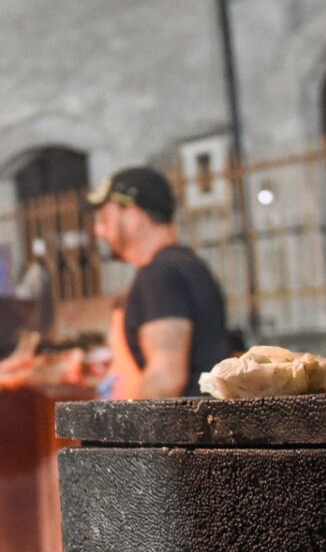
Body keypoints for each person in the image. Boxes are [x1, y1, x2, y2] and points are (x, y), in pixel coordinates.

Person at [89, 166, 235, 398]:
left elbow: (165, 378)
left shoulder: (159, 275)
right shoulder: (185, 264)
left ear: (133, 216)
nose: (98, 231)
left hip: (185, 431)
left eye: (105, 219)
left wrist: (130, 432)